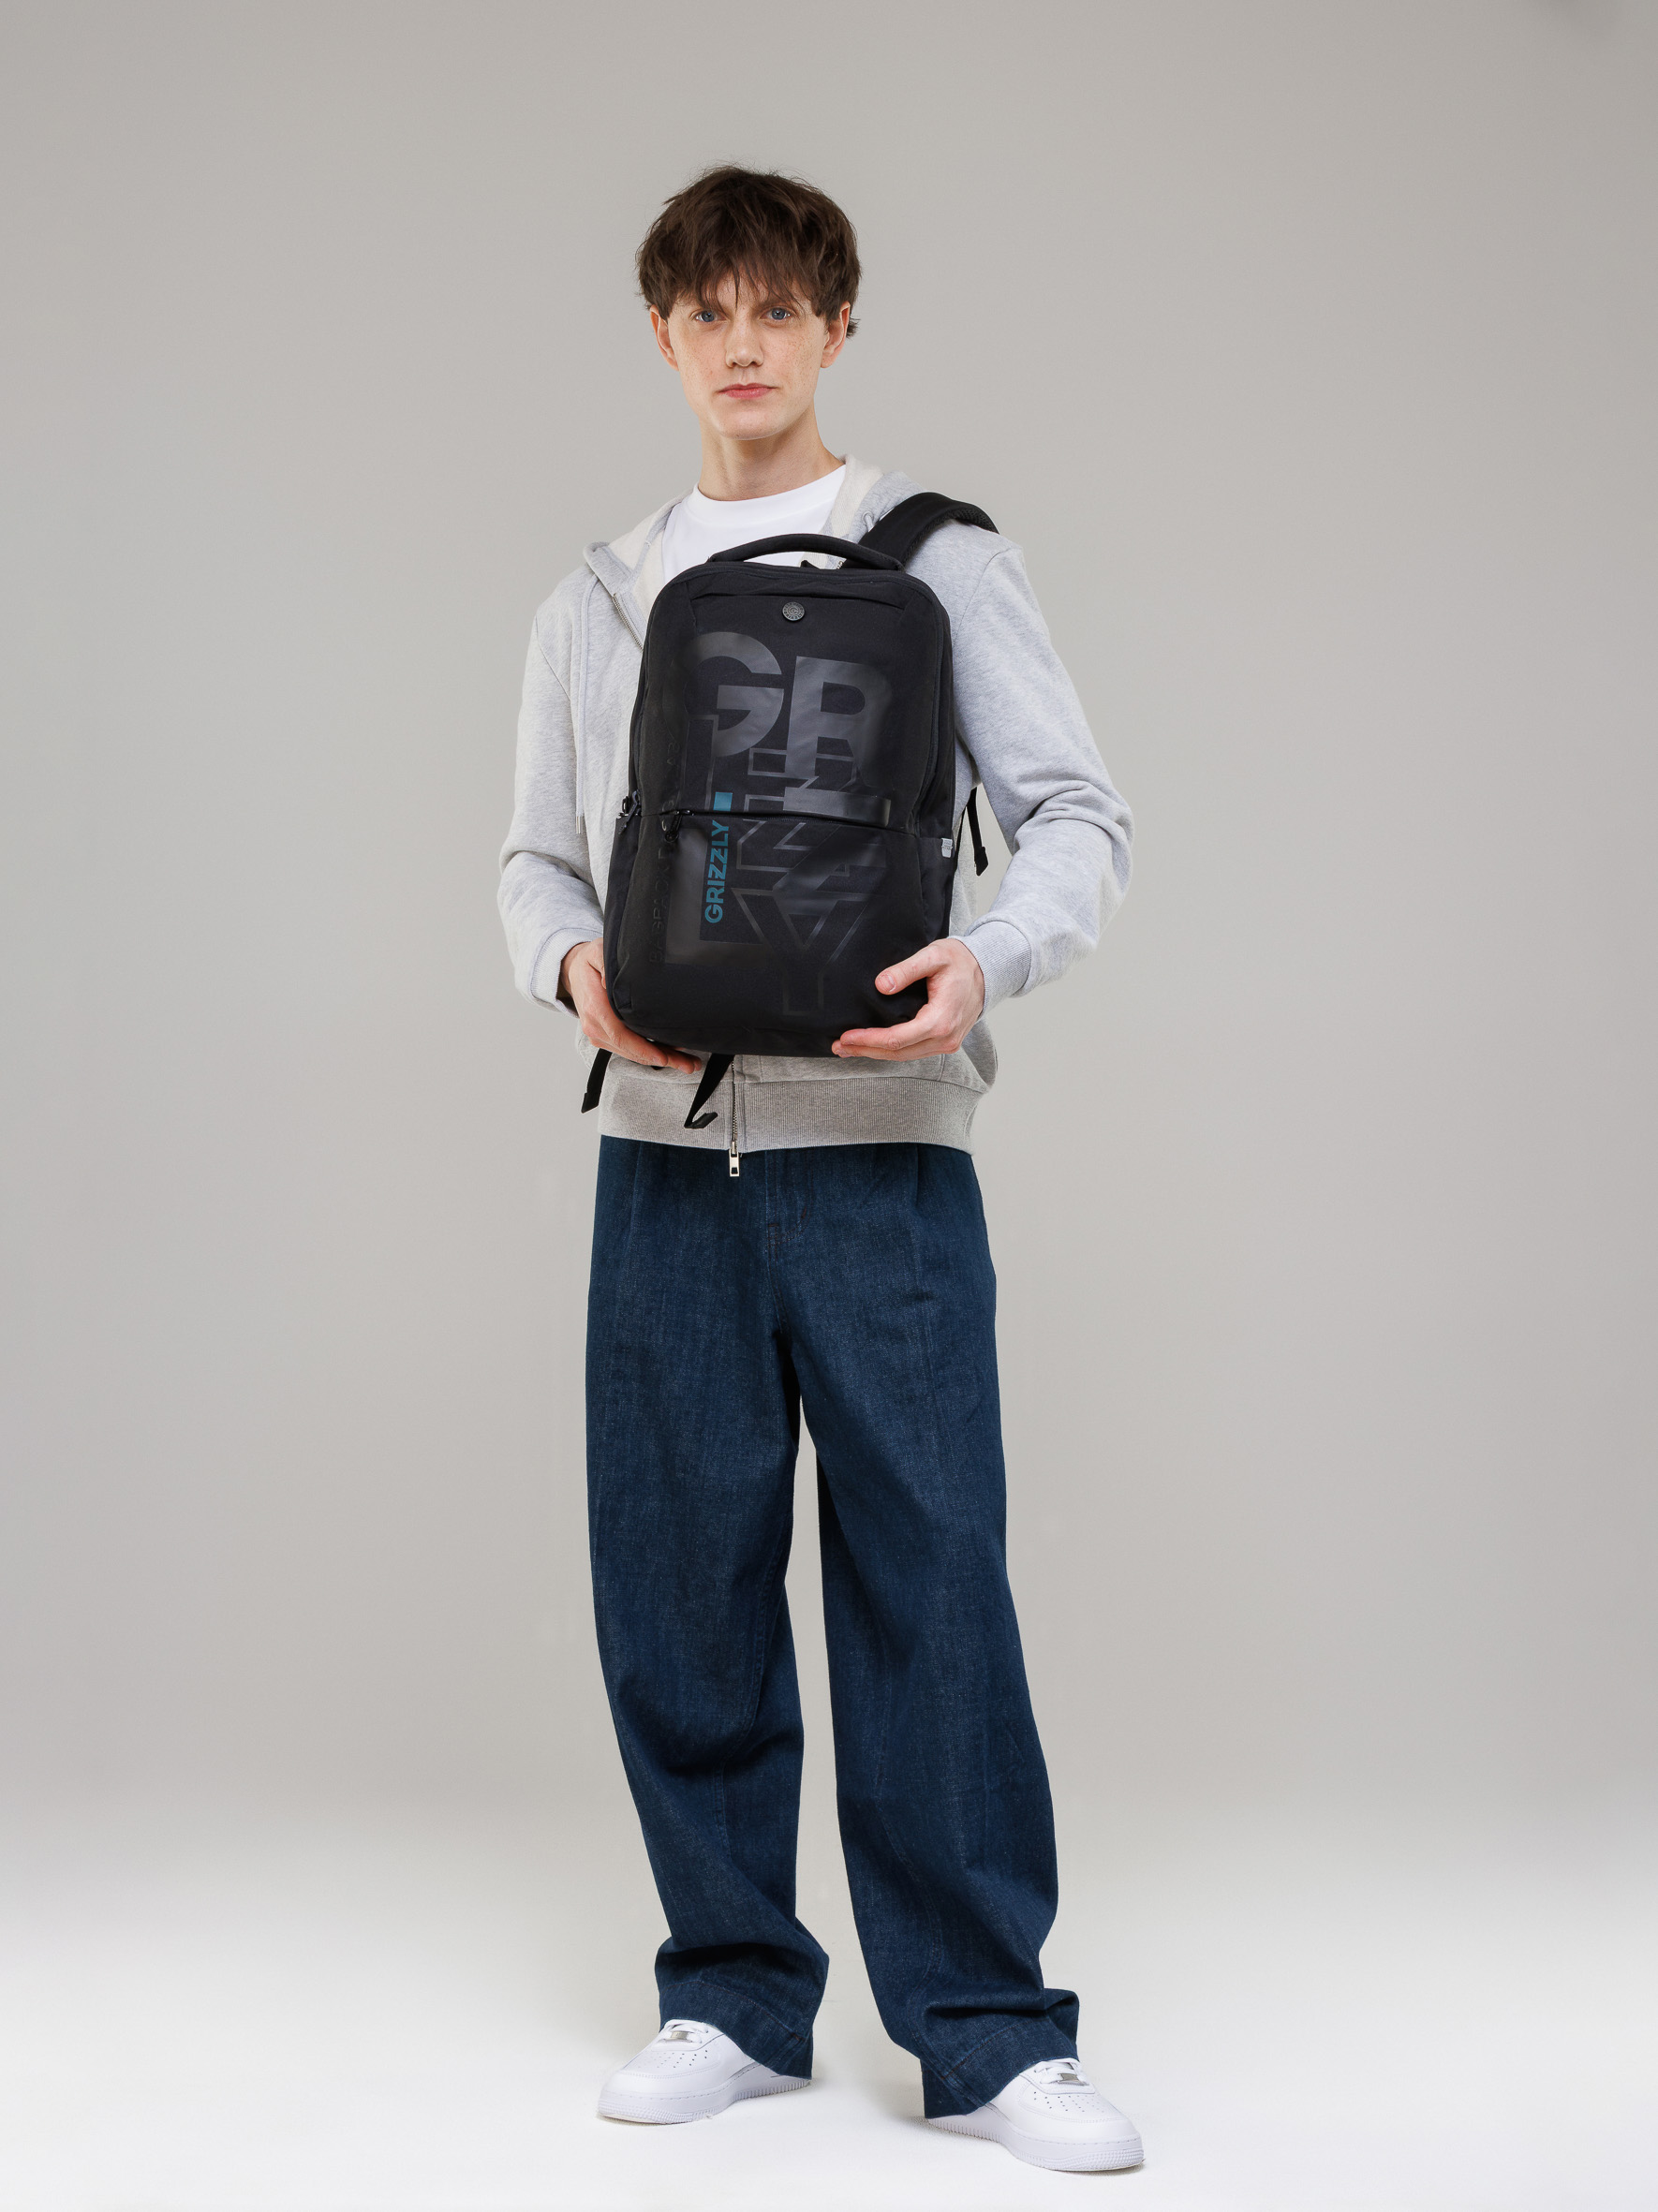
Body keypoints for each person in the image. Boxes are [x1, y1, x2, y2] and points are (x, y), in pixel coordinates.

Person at [497, 166, 1139, 2175]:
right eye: (708, 312)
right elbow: (534, 864)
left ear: (837, 328)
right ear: (663, 336)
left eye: (780, 308)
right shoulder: (598, 595)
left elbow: (1076, 814)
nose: (744, 343)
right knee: (675, 1582)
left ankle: (989, 2030)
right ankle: (729, 1994)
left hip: (882, 1151)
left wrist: (986, 961)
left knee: (929, 1577)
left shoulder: (936, 557)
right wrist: (574, 972)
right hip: (667, 1162)